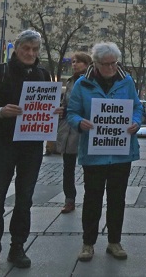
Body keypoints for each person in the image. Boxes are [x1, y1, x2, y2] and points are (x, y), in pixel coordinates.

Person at [0, 30, 58, 273]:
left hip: (31, 146)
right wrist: (0, 111)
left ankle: (17, 247)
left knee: (25, 200)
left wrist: (53, 111)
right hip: (3, 143)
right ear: (16, 48)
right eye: (26, 49)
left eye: (35, 49)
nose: (31, 53)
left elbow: (46, 105)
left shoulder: (43, 75)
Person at [66, 42, 141, 263]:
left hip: (121, 152)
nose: (111, 68)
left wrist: (136, 122)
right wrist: (80, 122)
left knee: (117, 199)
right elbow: (72, 112)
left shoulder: (127, 81)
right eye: (106, 64)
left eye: (114, 63)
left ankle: (114, 242)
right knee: (92, 199)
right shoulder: (82, 83)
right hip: (94, 152)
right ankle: (88, 243)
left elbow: (137, 107)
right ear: (96, 64)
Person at [58, 51, 91, 214]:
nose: (74, 64)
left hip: (84, 127)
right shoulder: (70, 81)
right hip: (69, 128)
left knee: (88, 168)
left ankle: (89, 199)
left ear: (87, 64)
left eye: (77, 61)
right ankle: (69, 199)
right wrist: (61, 109)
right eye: (72, 62)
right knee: (68, 167)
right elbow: (66, 103)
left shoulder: (91, 81)